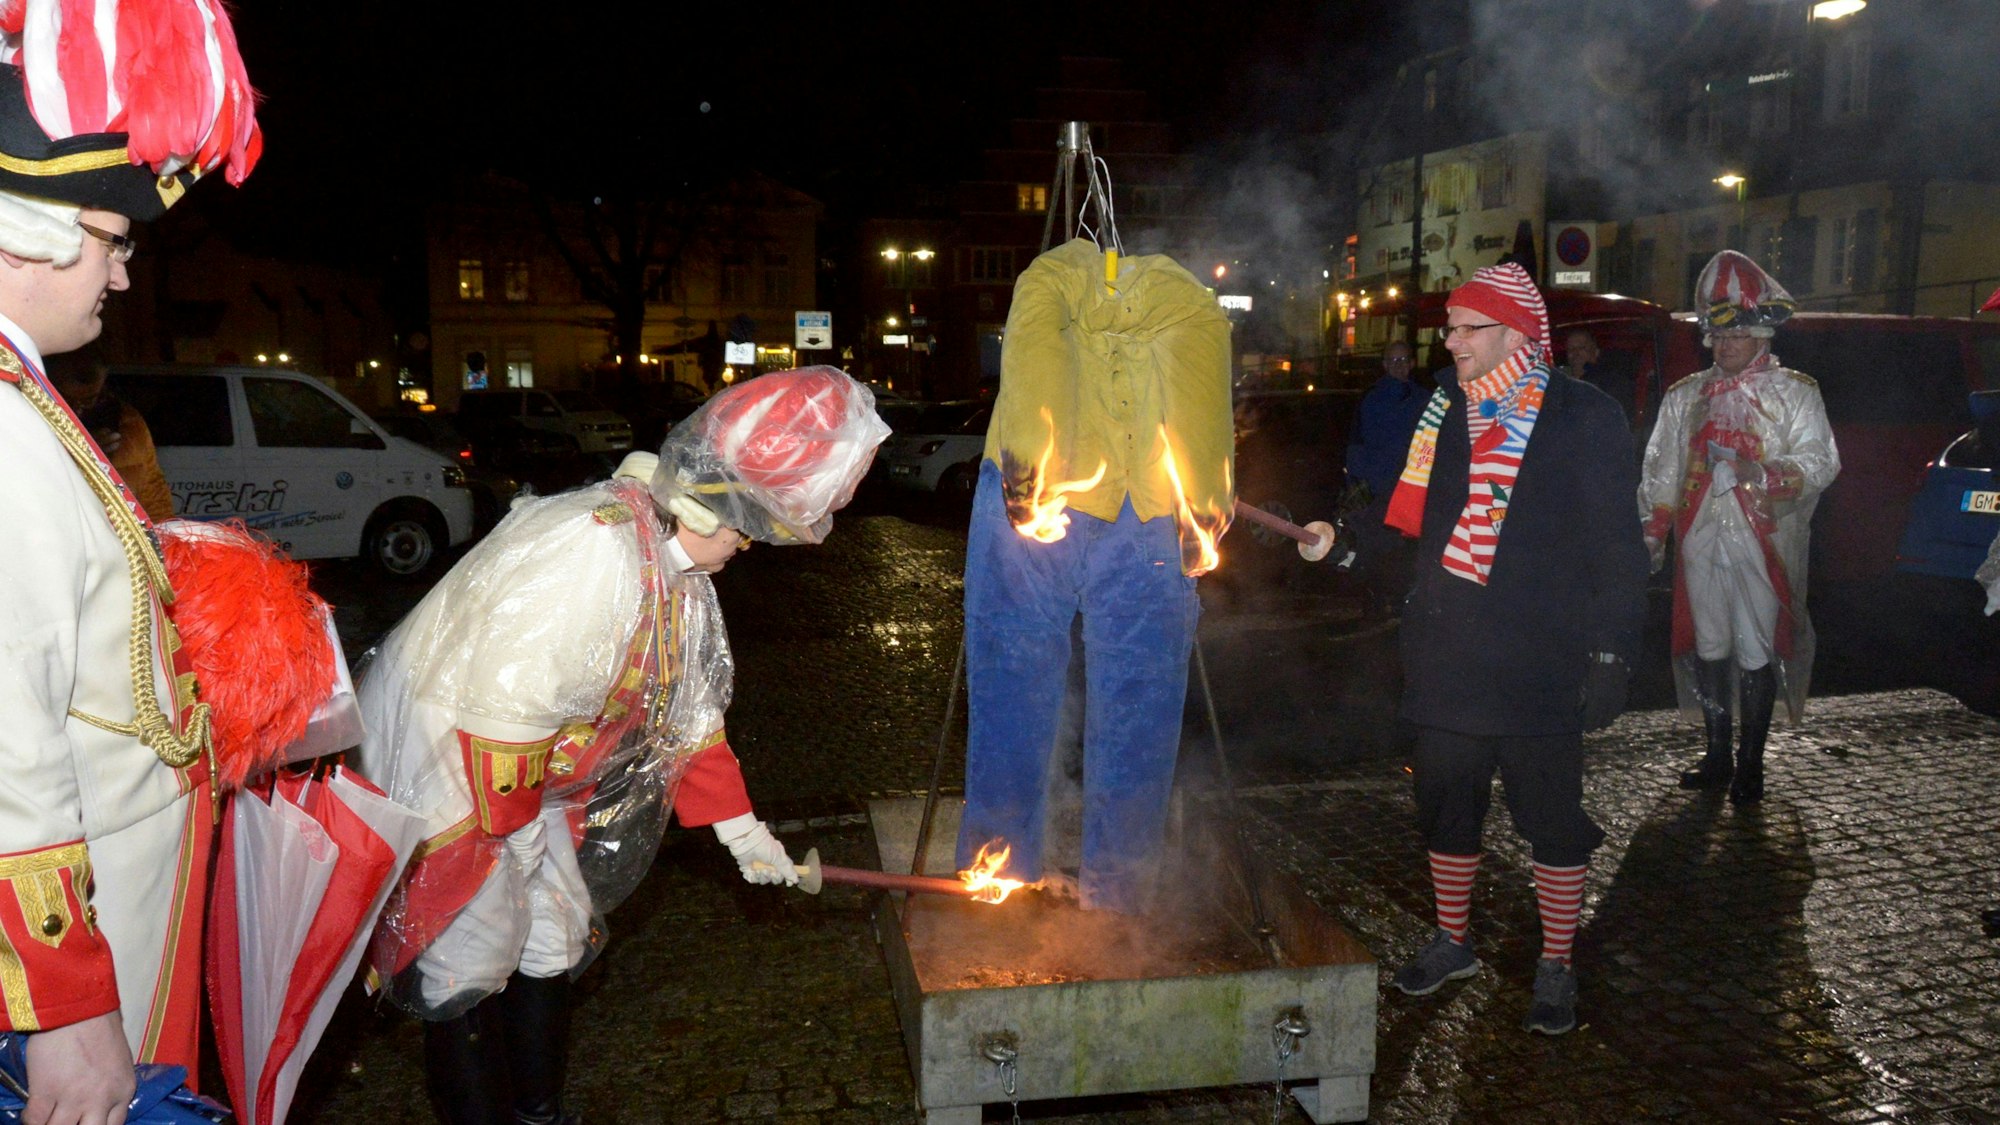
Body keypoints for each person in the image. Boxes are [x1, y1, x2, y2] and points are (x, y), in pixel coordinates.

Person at [356, 366, 888, 1125]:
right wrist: (512, 841)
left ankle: (539, 1115)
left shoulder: (675, 571)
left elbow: (690, 721)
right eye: (747, 527)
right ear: (703, 504)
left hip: (526, 776)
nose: (749, 545)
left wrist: (745, 836)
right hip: (455, 769)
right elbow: (506, 707)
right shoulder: (594, 547)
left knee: (551, 931)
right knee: (467, 959)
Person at [0, 6, 260, 1119]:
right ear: (27, 233)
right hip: (88, 934)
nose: (118, 277)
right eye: (113, 240)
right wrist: (63, 1004)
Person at [1378, 261, 1648, 1036]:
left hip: (1540, 655)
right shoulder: (1444, 412)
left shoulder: (1582, 415)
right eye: (1450, 327)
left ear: (1518, 334)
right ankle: (1453, 941)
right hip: (1449, 652)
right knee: (1445, 803)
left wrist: (1611, 655)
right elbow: (1412, 524)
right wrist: (1342, 541)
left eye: (1469, 328)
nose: (1450, 341)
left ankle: (1556, 961)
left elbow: (1618, 548)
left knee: (1551, 815)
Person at [958, 236, 1233, 915]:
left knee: (1011, 677)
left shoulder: (1044, 284)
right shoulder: (1190, 309)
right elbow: (1204, 424)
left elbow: (1033, 380)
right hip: (1151, 504)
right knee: (1140, 699)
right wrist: (1205, 508)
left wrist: (1028, 474)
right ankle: (1120, 892)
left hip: (1037, 491)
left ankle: (1000, 866)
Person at [1639, 250, 1839, 805]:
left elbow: (1822, 461)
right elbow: (1661, 468)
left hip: (1763, 541)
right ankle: (1716, 755)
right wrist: (1653, 530)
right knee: (1709, 645)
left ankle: (1751, 764)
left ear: (1762, 336)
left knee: (1755, 649)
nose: (1725, 346)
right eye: (1719, 336)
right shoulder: (1685, 396)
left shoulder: (1797, 392)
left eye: (1738, 336)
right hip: (1699, 538)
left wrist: (1764, 473)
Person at [1343, 341, 1428, 617]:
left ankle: (1402, 599)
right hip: (1377, 487)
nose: (1398, 366)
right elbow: (1356, 442)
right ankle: (1375, 599)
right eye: (1393, 360)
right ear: (1384, 365)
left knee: (1407, 548)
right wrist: (1357, 483)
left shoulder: (1424, 399)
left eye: (1403, 360)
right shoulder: (1370, 398)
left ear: (1412, 363)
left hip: (1412, 487)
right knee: (1376, 546)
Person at [47, 344, 175, 520]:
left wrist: (162, 532)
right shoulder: (32, 424)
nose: (79, 409)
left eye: (90, 399)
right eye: (68, 401)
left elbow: (154, 494)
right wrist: (77, 458)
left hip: (124, 533)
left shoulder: (129, 423)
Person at [1560, 329, 1636, 431]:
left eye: (1582, 347)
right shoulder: (1560, 382)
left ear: (1596, 352)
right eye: (1571, 349)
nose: (1576, 352)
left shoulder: (1610, 381)